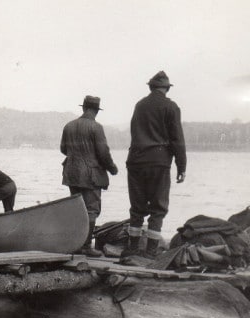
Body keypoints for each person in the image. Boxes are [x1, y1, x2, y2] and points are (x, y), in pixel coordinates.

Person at [124, 71, 187, 257]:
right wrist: (181, 166)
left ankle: (132, 249)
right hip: (158, 162)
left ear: (150, 87)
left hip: (135, 161)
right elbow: (177, 139)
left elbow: (135, 131)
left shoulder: (139, 105)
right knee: (158, 208)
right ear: (167, 88)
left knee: (137, 208)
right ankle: (151, 252)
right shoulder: (171, 107)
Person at [60, 95, 118, 257]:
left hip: (72, 173)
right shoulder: (96, 127)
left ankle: (75, 244)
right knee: (91, 210)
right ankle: (85, 246)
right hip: (90, 176)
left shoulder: (69, 126)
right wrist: (112, 168)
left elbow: (63, 149)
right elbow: (103, 153)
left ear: (84, 108)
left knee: (78, 209)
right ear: (96, 111)